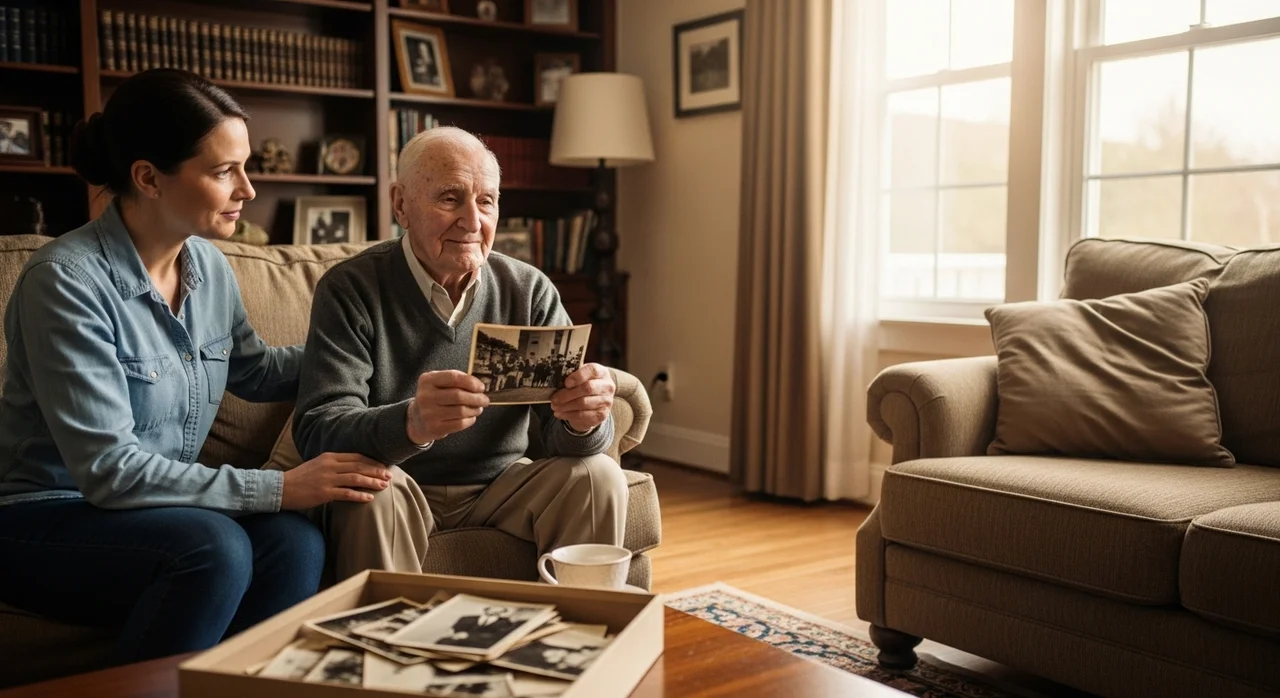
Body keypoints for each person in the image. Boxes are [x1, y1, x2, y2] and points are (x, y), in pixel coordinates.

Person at [0, 69, 392, 667]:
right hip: (46, 515)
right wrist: (280, 487)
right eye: (223, 171)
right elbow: (109, 471)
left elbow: (256, 372)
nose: (249, 190)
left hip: (154, 514)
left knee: (294, 543)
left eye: (246, 165)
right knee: (214, 548)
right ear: (148, 178)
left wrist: (376, 348)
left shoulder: (207, 267)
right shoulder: (65, 282)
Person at [293, 126, 626, 581]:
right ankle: (383, 644)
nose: (473, 221)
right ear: (401, 205)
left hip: (503, 486)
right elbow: (318, 429)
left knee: (598, 476)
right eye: (450, 198)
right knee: (371, 490)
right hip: (399, 482)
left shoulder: (528, 290)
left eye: (486, 201)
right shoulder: (350, 289)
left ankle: (578, 640)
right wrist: (411, 423)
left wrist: (585, 419)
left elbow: (563, 441)